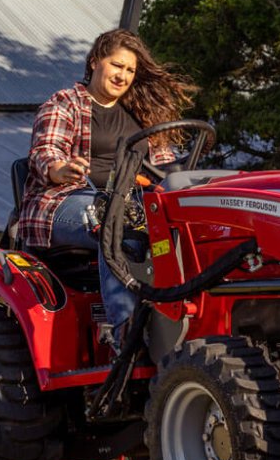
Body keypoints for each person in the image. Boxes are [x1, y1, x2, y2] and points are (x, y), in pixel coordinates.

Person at [17, 28, 195, 345]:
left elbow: (164, 164)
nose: (122, 75)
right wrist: (60, 169)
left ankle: (185, 318)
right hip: (65, 200)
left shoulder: (142, 113)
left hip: (134, 203)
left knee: (185, 223)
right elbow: (46, 151)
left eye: (130, 70)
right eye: (117, 65)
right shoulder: (65, 104)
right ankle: (123, 333)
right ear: (96, 61)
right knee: (114, 219)